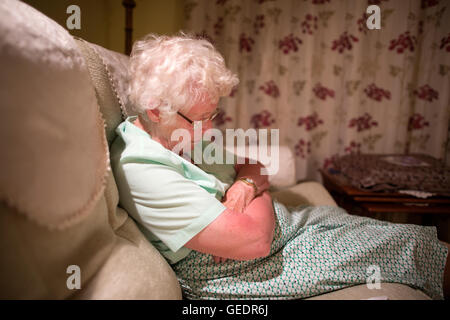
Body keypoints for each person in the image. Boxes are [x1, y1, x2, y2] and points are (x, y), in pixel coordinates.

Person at [110, 33, 449, 300]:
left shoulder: (178, 135)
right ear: (155, 109)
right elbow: (255, 240)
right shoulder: (142, 168)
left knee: (377, 228)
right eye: (200, 119)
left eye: (212, 115)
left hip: (280, 229)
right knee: (412, 247)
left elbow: (255, 166)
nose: (210, 130)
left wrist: (244, 187)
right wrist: (256, 190)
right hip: (239, 269)